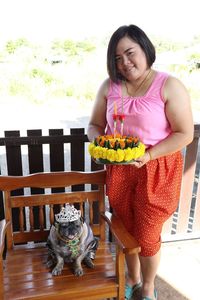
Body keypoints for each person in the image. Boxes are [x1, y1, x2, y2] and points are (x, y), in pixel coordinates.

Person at [87, 24, 194, 300]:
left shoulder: (169, 85)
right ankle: (132, 279)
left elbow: (185, 133)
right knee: (125, 229)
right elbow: (94, 125)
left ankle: (148, 287)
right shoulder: (109, 87)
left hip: (156, 169)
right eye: (117, 58)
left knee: (147, 234)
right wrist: (100, 145)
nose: (124, 62)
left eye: (130, 53)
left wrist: (147, 155)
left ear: (145, 49)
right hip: (120, 170)